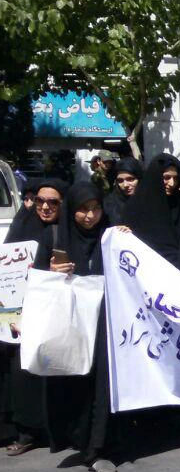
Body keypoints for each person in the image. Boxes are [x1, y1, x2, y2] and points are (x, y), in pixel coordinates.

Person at [39, 183, 120, 472]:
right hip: (71, 327)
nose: (90, 216)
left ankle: (97, 448)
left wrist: (125, 238)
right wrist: (52, 272)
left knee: (101, 385)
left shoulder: (109, 237)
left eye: (95, 208)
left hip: (104, 326)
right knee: (76, 386)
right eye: (83, 210)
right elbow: (36, 280)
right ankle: (80, 440)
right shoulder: (55, 239)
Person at [1, 179, 63, 456]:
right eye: (40, 201)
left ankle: (46, 430)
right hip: (17, 315)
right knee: (18, 371)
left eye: (53, 202)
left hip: (53, 314)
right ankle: (21, 429)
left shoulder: (65, 232)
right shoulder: (23, 225)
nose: (45, 207)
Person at [121, 154, 180, 272]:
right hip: (150, 271)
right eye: (166, 177)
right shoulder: (136, 207)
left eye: (175, 178)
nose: (172, 183)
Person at [102, 157, 142, 223]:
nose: (125, 185)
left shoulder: (151, 200)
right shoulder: (109, 203)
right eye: (120, 181)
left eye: (130, 179)